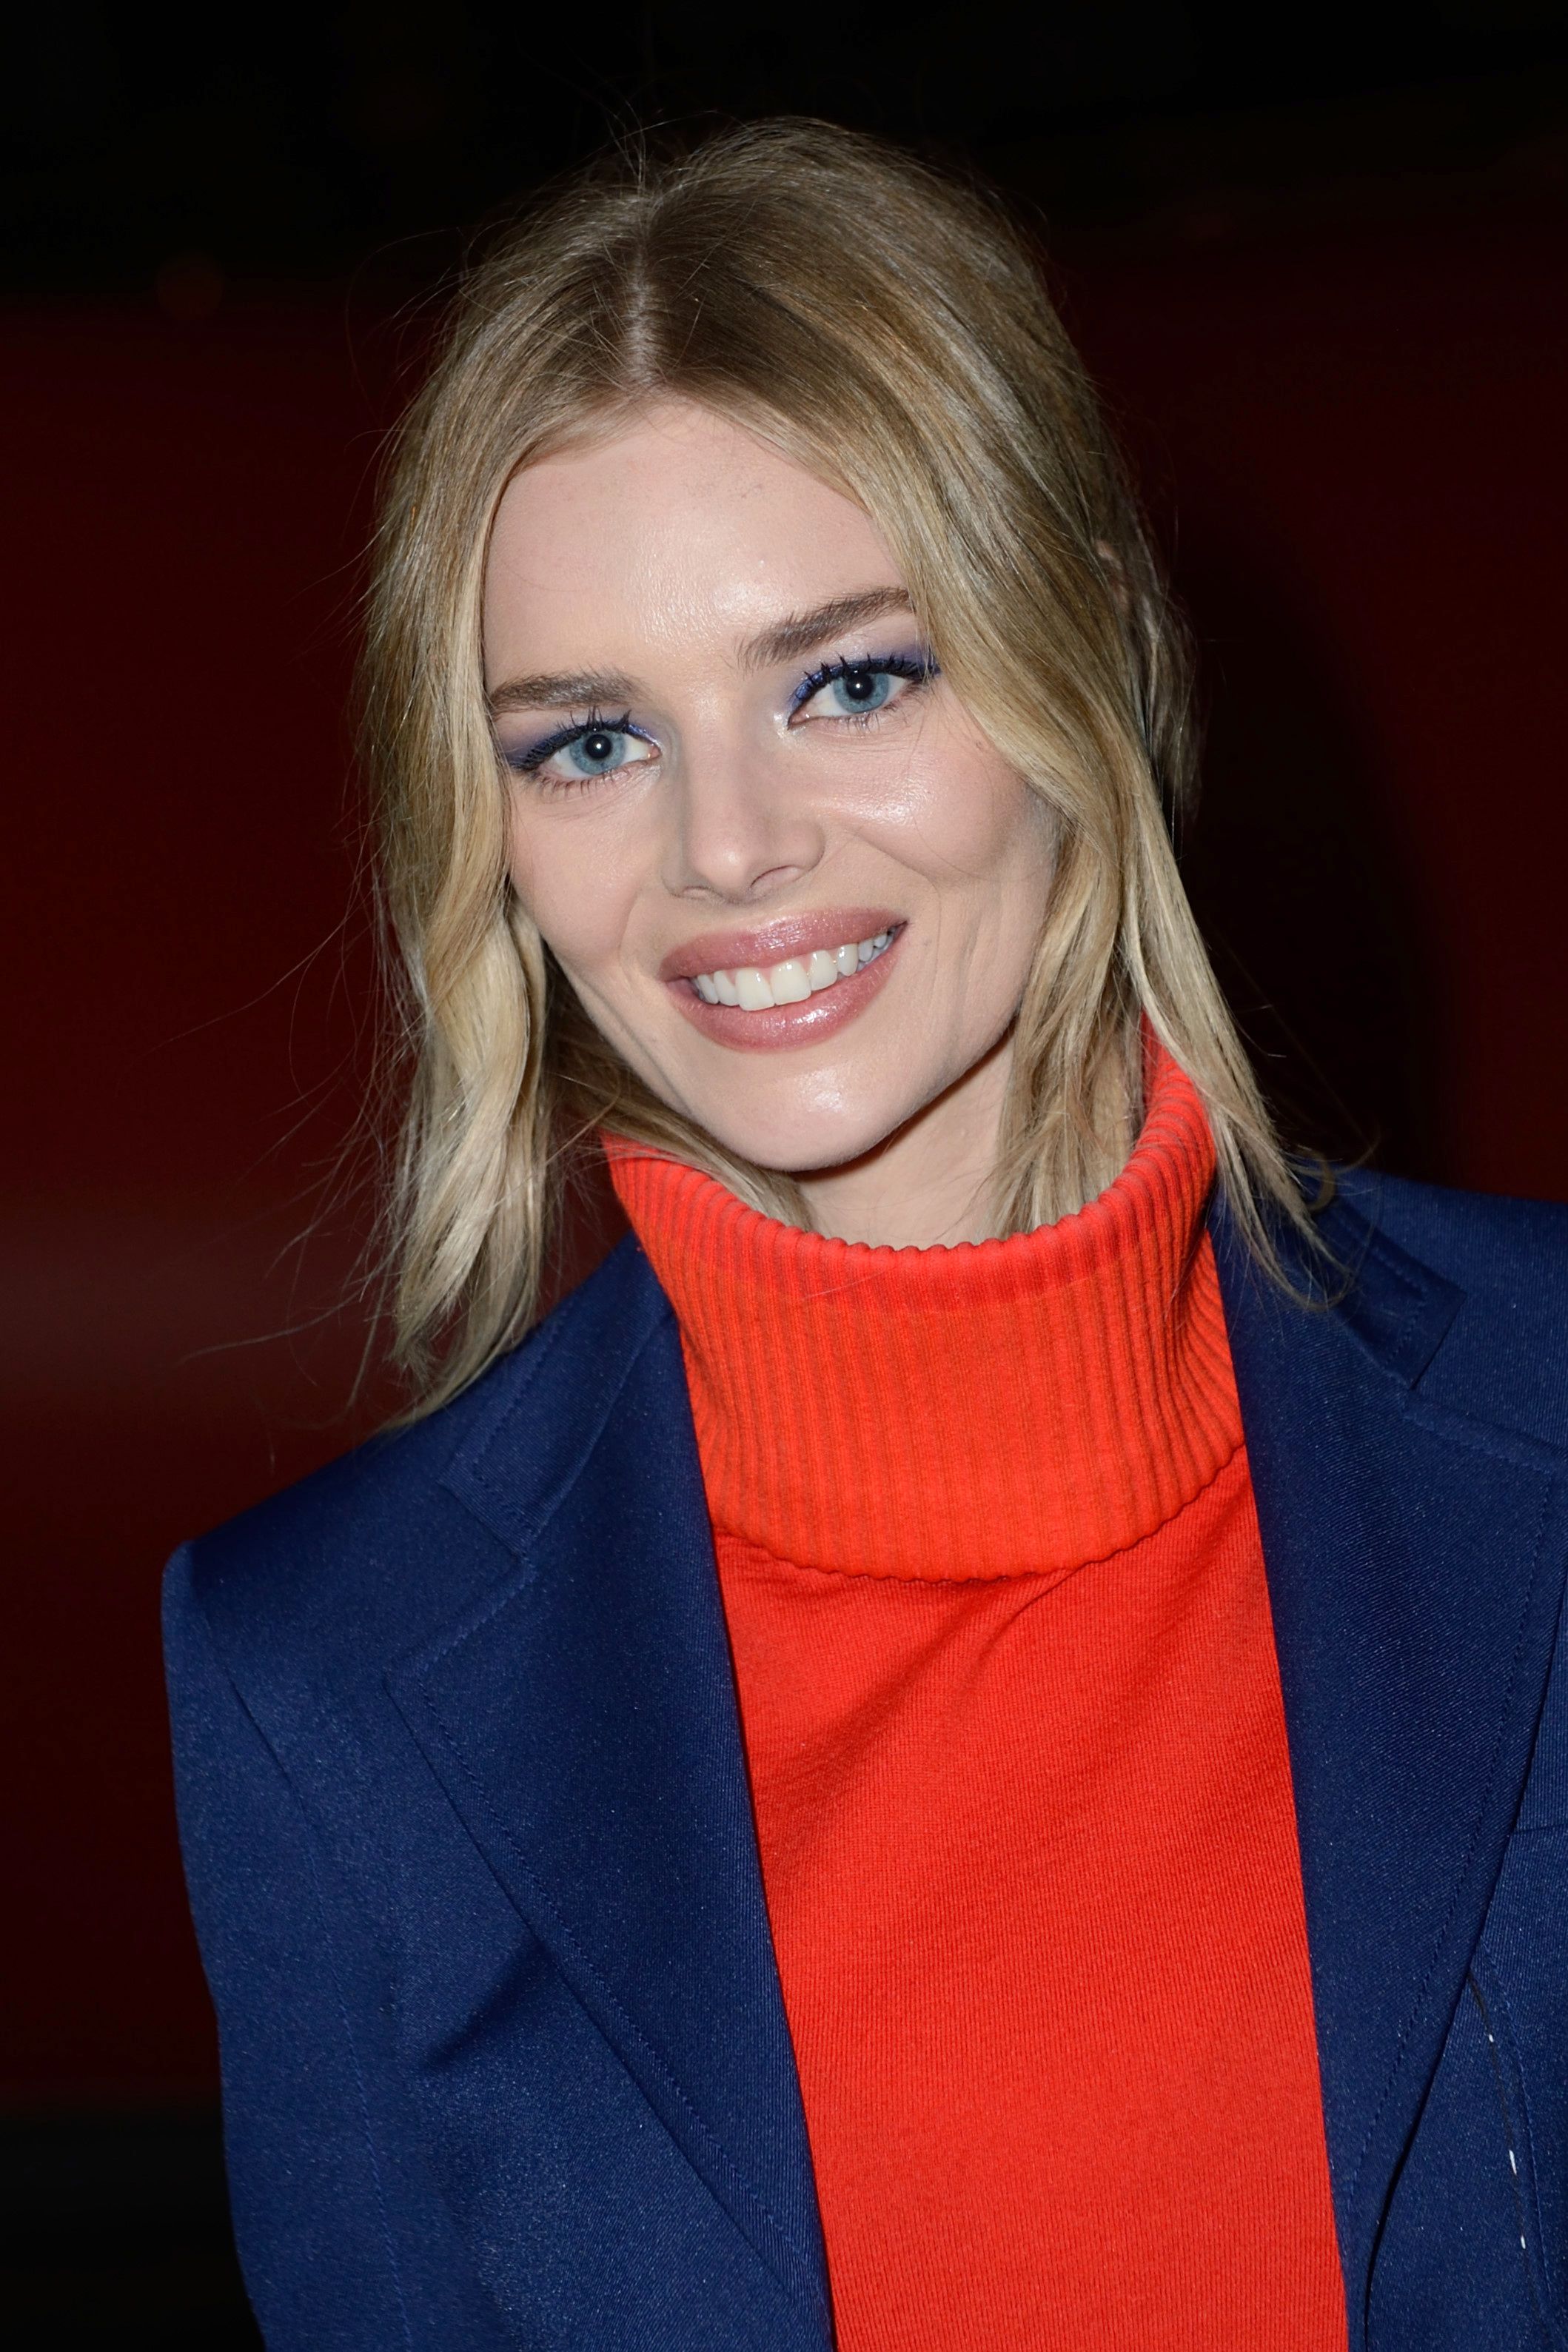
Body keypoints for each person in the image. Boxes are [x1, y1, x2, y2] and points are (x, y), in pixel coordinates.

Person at [163, 119, 1568, 2352]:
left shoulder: (1548, 1427)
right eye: (591, 741)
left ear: (1085, 653)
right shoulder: (319, 1679)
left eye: (851, 679)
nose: (730, 845)